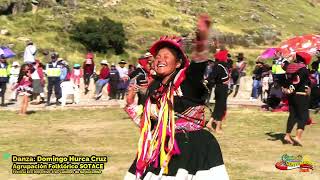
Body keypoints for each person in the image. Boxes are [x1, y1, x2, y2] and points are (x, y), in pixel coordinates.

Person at [124, 15, 229, 179]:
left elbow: (198, 66)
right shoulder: (155, 88)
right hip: (159, 147)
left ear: (178, 63)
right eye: (158, 56)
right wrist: (131, 105)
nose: (160, 59)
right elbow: (150, 123)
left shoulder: (187, 82)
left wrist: (201, 41)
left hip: (191, 148)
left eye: (166, 56)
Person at [283, 52, 312, 146]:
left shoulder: (291, 67)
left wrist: (288, 59)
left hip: (292, 96)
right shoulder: (304, 69)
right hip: (301, 95)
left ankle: (287, 136)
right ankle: (298, 137)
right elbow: (299, 82)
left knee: (292, 115)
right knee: (303, 116)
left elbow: (284, 65)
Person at [206, 50, 230, 134]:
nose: (227, 58)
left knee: (219, 107)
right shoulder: (219, 66)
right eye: (225, 56)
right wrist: (206, 81)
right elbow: (212, 76)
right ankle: (217, 128)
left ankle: (210, 123)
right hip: (221, 88)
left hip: (222, 88)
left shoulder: (221, 66)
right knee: (221, 107)